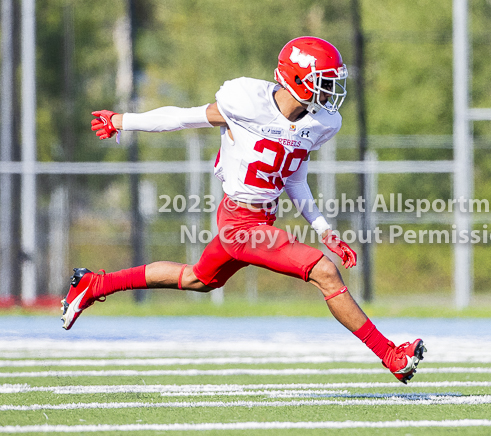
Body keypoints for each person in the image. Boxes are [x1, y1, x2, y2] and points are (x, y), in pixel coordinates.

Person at [61, 36, 426, 383]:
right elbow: (184, 117)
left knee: (199, 279)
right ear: (298, 79)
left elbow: (294, 178)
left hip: (261, 220)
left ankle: (95, 284)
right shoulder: (246, 102)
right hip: (238, 221)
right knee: (325, 272)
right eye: (323, 81)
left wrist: (324, 229)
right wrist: (123, 120)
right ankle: (391, 355)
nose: (331, 91)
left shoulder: (319, 123)